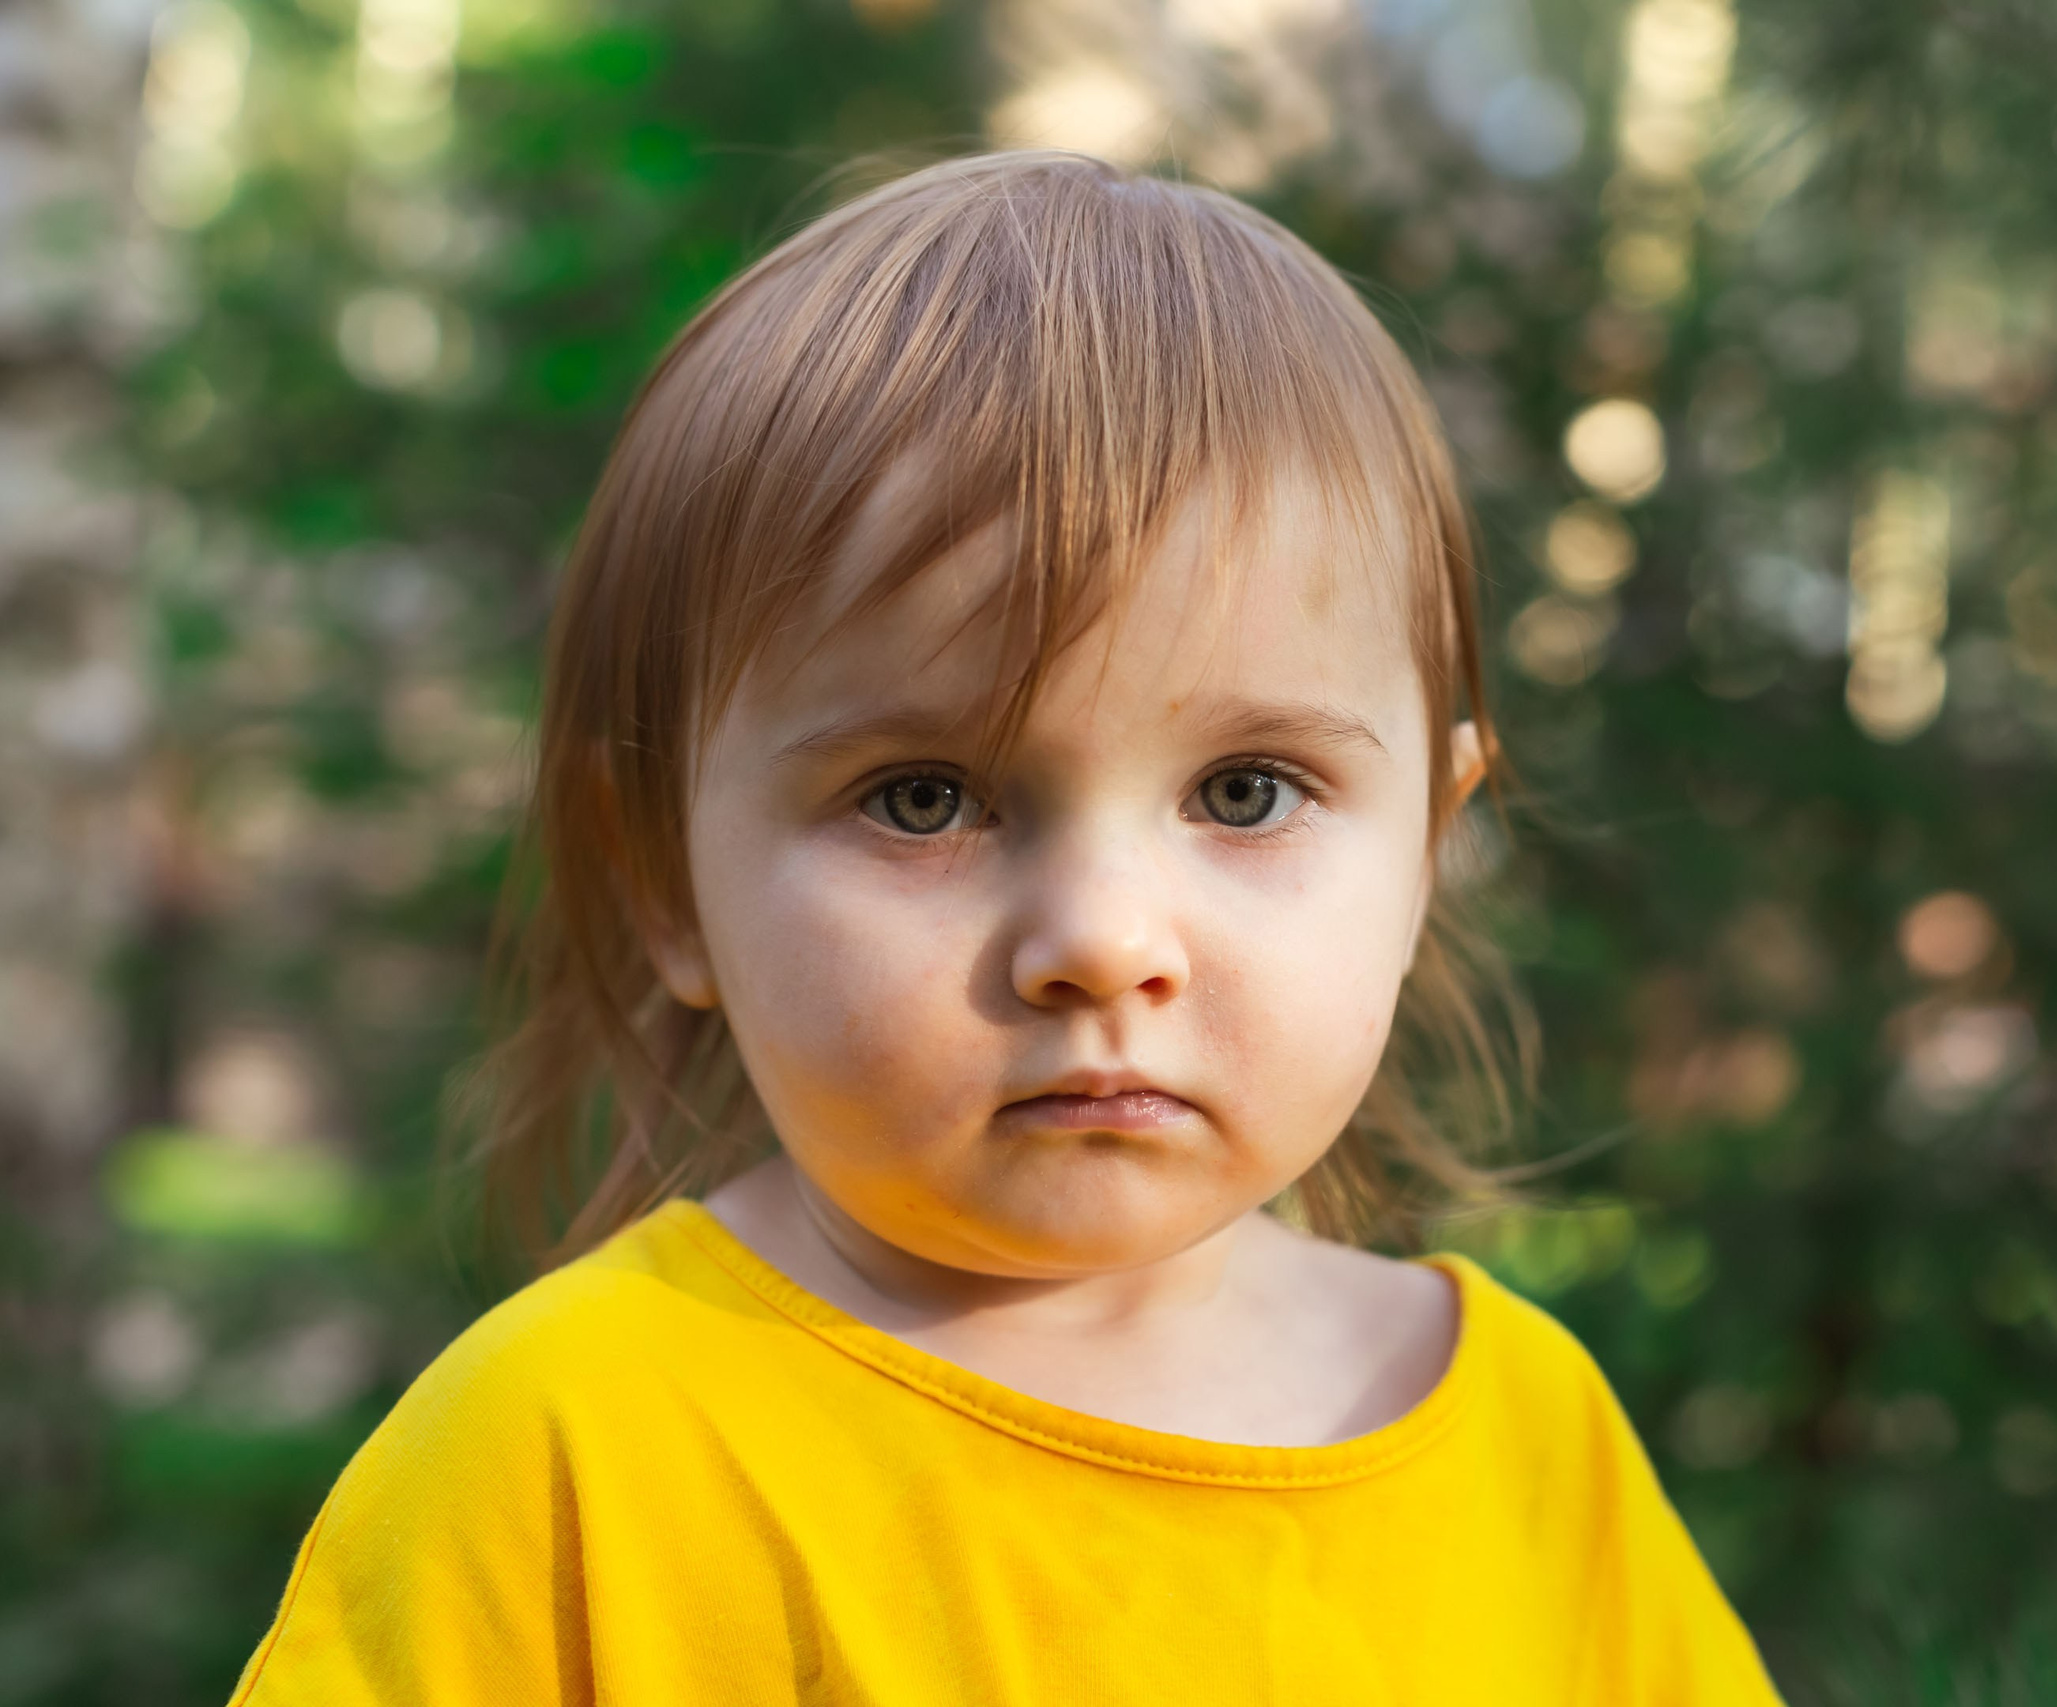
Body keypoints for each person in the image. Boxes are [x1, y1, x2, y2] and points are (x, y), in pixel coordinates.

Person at [226, 150, 1783, 1705]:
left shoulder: (1525, 1440)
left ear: (1429, 855)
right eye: (921, 798)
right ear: (664, 885)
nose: (1104, 942)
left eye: (1246, 791)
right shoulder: (564, 1454)